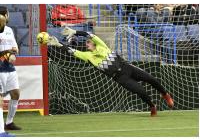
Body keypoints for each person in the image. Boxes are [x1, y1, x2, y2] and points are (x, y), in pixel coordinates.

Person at [46, 26, 174, 116]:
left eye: (88, 43)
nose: (87, 44)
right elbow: (72, 51)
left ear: (94, 44)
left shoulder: (102, 45)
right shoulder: (88, 56)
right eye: (87, 44)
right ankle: (152, 106)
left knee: (151, 79)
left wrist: (75, 31)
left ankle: (165, 94)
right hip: (120, 78)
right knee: (140, 91)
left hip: (127, 68)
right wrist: (59, 45)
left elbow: (90, 35)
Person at [0, 6, 21, 131]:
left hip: (10, 68)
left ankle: (9, 123)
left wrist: (13, 53)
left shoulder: (9, 30)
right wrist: (9, 53)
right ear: (4, 16)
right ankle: (1, 128)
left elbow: (16, 48)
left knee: (16, 93)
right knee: (0, 97)